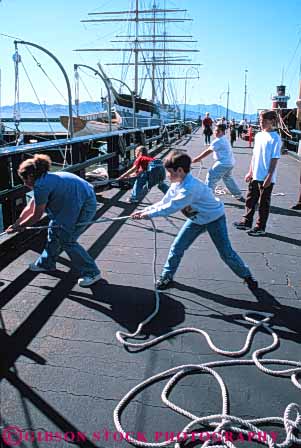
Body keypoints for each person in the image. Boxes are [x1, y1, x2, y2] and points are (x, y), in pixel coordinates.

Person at [131, 150, 258, 291]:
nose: (167, 175)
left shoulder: (189, 188)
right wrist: (144, 211)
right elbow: (164, 202)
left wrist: (148, 215)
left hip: (214, 218)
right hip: (197, 219)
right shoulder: (177, 183)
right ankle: (167, 276)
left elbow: (170, 207)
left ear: (179, 170)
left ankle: (247, 276)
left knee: (226, 253)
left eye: (169, 172)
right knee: (177, 247)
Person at [6, 154, 101, 287]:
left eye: (24, 179)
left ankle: (92, 272)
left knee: (67, 240)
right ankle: (46, 263)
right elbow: (31, 206)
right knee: (53, 230)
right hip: (74, 201)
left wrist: (21, 226)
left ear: (31, 176)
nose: (24, 183)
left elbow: (36, 215)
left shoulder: (41, 185)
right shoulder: (46, 178)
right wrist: (17, 223)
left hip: (83, 205)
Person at [234, 110, 281, 236]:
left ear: (272, 121)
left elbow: (275, 158)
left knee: (263, 202)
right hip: (255, 173)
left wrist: (269, 176)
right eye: (260, 121)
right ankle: (246, 221)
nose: (262, 123)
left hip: (266, 175)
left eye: (264, 121)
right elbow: (255, 155)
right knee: (250, 199)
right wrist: (250, 172)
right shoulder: (259, 135)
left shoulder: (276, 138)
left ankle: (260, 227)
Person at [192, 123, 244, 202]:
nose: (215, 132)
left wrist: (197, 159)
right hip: (230, 162)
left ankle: (207, 197)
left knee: (211, 176)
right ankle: (238, 194)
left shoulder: (218, 141)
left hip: (223, 163)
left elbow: (208, 151)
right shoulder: (224, 139)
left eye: (218, 131)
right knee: (228, 178)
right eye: (215, 130)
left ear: (222, 132)